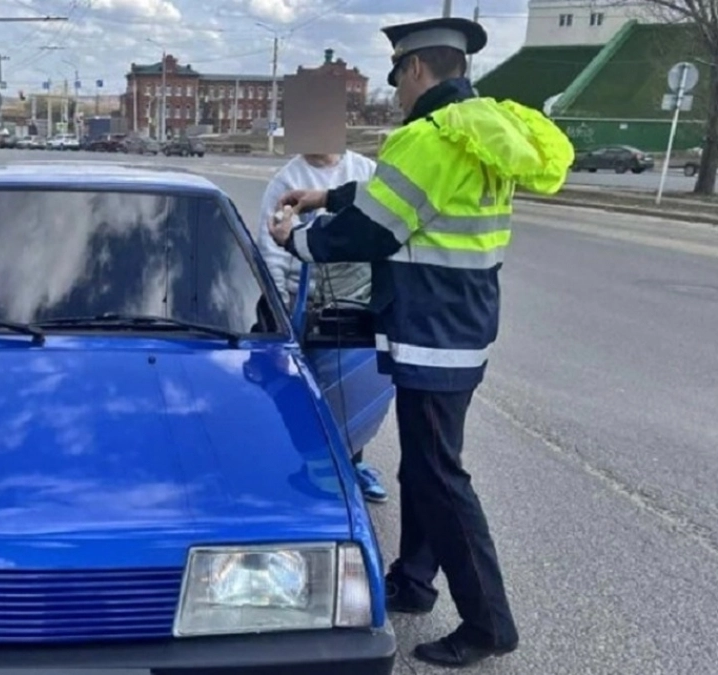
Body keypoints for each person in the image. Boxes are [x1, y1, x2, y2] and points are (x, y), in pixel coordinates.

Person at [267, 16, 573, 669]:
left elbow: (372, 230)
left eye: (398, 78)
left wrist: (296, 238)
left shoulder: (429, 137)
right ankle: (413, 579)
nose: (399, 93)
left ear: (414, 69)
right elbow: (403, 195)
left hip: (431, 333)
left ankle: (489, 623)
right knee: (425, 468)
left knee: (440, 477)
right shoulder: (478, 131)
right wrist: (328, 194)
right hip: (459, 326)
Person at [257, 151, 389, 504]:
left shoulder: (365, 170)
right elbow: (272, 252)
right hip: (306, 307)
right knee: (305, 392)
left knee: (353, 388)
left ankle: (352, 464)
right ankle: (310, 464)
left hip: (359, 302)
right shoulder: (287, 181)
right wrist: (281, 313)